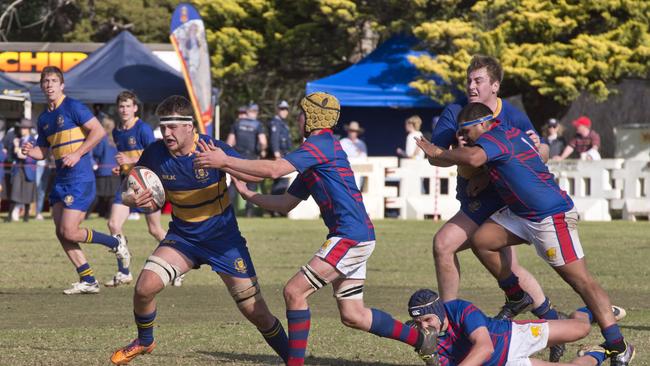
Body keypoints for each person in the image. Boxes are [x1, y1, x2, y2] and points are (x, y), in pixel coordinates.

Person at [193, 92, 438, 366]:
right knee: (353, 315)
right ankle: (421, 339)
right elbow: (286, 203)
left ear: (309, 117)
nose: (297, 118)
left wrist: (224, 161)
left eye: (301, 113)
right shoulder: (316, 151)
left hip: (350, 236)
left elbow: (274, 170)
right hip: (354, 236)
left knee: (294, 292)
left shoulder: (319, 144)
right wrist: (249, 195)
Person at [415, 102, 635, 366]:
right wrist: (486, 178)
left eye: (467, 132)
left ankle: (617, 345)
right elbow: (515, 162)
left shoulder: (494, 136)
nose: (463, 139)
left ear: (483, 124)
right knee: (482, 240)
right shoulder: (504, 134)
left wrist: (438, 151)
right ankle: (517, 294)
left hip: (549, 217)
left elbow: (474, 158)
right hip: (522, 215)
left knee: (581, 282)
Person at [110, 95, 289, 365]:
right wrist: (132, 199)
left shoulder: (211, 148)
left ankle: (295, 359)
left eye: (172, 127)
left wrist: (225, 163)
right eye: (163, 126)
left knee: (257, 313)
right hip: (183, 239)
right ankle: (145, 341)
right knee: (144, 288)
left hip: (223, 241)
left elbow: (255, 176)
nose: (166, 133)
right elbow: (132, 188)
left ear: (189, 126)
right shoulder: (155, 153)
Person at [425, 54, 564, 359]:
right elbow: (437, 155)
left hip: (499, 198)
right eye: (468, 80)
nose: (471, 86)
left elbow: (539, 149)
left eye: (478, 80)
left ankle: (448, 323)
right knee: (508, 266)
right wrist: (460, 161)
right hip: (474, 196)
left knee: (443, 244)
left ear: (495, 86)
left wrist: (490, 171)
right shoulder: (454, 111)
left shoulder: (511, 115)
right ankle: (551, 322)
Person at [21, 66, 130, 295]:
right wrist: (31, 151)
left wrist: (78, 153)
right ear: (42, 86)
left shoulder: (73, 106)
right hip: (61, 179)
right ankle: (88, 279)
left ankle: (116, 243)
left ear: (62, 85)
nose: (49, 85)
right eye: (45, 81)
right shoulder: (44, 118)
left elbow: (98, 131)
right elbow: (44, 151)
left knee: (70, 231)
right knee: (61, 232)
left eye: (53, 81)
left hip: (80, 178)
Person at [407, 288, 615, 366]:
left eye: (428, 320)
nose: (424, 327)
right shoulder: (427, 341)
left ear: (440, 312)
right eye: (418, 323)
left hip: (513, 337)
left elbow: (485, 347)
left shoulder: (460, 309)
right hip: (505, 364)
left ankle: (592, 311)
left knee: (581, 329)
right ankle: (602, 350)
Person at [105, 91, 166, 288]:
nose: (124, 110)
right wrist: (121, 167)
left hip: (147, 185)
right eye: (121, 106)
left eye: (127, 106)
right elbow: (126, 160)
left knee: (154, 229)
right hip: (127, 185)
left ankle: (177, 264)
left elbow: (154, 156)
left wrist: (130, 161)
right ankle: (124, 272)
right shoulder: (117, 131)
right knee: (113, 224)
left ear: (135, 108)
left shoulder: (143, 129)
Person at [226, 102, 268, 217]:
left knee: (234, 184)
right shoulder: (258, 125)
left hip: (237, 157)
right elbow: (263, 142)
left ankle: (229, 211)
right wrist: (261, 151)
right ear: (255, 113)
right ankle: (249, 212)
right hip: (252, 158)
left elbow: (229, 142)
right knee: (251, 186)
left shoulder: (237, 123)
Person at [7, 118, 37, 222]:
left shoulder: (33, 140)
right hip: (18, 169)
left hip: (29, 168)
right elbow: (13, 155)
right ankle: (9, 216)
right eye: (21, 128)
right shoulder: (18, 140)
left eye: (24, 128)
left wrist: (18, 150)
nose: (22, 130)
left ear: (28, 129)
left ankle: (26, 217)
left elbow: (31, 156)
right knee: (15, 192)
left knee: (28, 193)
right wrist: (15, 146)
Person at [90, 117, 120, 219]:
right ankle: (108, 214)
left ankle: (86, 214)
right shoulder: (116, 138)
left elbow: (97, 153)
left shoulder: (102, 139)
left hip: (103, 171)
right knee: (112, 196)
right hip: (115, 171)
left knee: (97, 195)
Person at [268, 100, 292, 199]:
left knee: (281, 181)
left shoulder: (283, 123)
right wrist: (277, 154)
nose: (284, 111)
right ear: (277, 110)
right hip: (279, 155)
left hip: (284, 154)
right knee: (282, 181)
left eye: (286, 109)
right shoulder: (275, 122)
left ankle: (274, 208)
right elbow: (274, 139)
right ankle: (273, 207)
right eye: (282, 109)